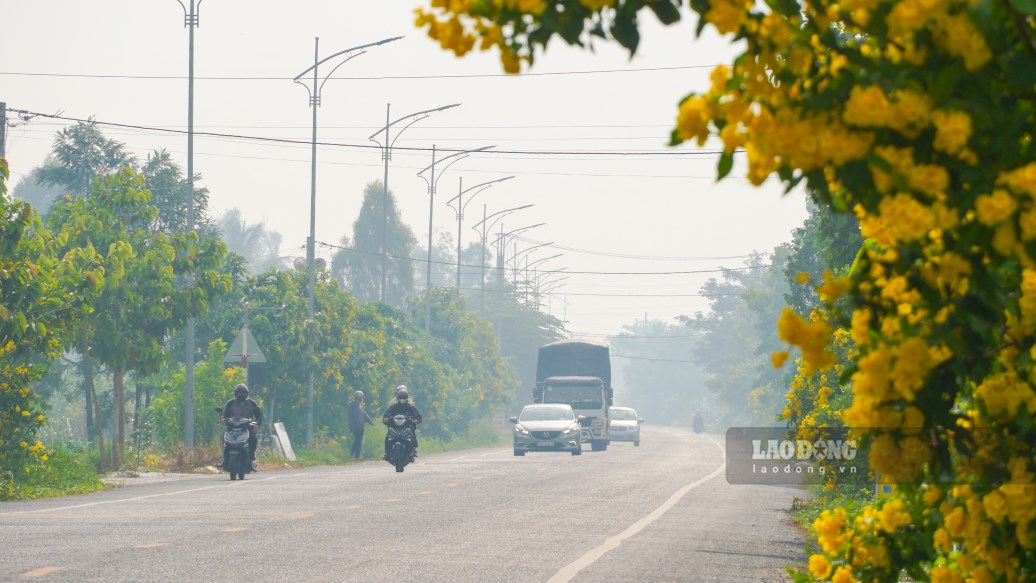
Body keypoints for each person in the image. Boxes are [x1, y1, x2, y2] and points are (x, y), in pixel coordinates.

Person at [221, 383, 263, 471]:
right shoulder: (230, 403)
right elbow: (224, 414)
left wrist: (257, 424)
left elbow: (259, 415)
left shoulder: (252, 403)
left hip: (247, 427)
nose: (241, 395)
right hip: (232, 427)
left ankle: (251, 459)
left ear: (247, 393)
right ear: (235, 393)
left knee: (253, 439)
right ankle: (224, 459)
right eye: (239, 393)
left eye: (243, 393)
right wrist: (223, 419)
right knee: (224, 438)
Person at [382, 385, 422, 462]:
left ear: (407, 397)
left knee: (412, 433)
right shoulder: (393, 405)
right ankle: (387, 453)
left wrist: (415, 419)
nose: (402, 399)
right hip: (394, 426)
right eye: (400, 397)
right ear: (397, 397)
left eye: (404, 398)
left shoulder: (410, 405)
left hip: (407, 426)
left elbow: (417, 415)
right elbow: (387, 414)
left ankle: (412, 450)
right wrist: (387, 419)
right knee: (388, 436)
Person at [347, 390, 374, 459]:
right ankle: (353, 455)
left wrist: (370, 422)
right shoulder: (353, 406)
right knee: (357, 441)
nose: (362, 399)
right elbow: (351, 418)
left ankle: (355, 456)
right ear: (360, 398)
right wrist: (352, 427)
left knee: (358, 441)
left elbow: (364, 415)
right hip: (356, 427)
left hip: (361, 427)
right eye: (362, 398)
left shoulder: (359, 406)